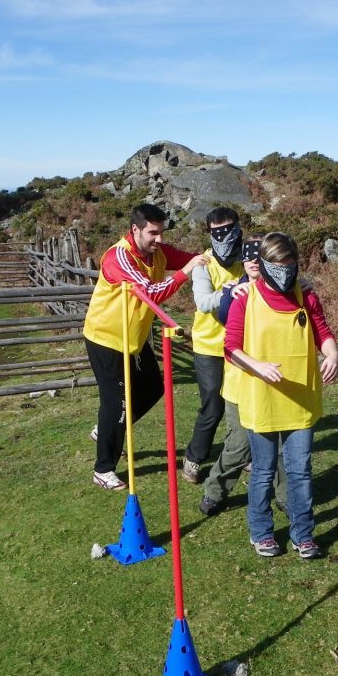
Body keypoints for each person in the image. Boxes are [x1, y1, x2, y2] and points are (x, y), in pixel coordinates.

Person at [224, 232, 338, 559]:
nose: (284, 272)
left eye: (290, 265)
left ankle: (303, 534)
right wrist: (258, 366)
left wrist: (332, 355)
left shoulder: (307, 297)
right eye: (277, 266)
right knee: (263, 469)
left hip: (301, 398)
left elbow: (323, 333)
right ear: (263, 264)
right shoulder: (245, 299)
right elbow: (231, 347)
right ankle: (260, 532)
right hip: (262, 398)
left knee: (300, 469)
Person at [83, 203, 209, 490]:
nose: (159, 239)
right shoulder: (119, 257)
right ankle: (103, 469)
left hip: (135, 338)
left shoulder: (158, 252)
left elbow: (192, 258)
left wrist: (210, 257)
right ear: (135, 229)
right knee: (118, 403)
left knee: (154, 387)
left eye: (162, 232)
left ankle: (107, 430)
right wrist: (186, 272)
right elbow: (150, 292)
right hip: (107, 339)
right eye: (153, 233)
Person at [199, 234, 288, 516]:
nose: (252, 262)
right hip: (240, 382)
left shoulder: (283, 289)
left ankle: (286, 497)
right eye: (247, 257)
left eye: (257, 257)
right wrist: (232, 293)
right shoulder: (233, 291)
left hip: (275, 379)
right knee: (239, 444)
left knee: (281, 446)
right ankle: (215, 491)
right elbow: (224, 317)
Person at [181, 207, 245, 484]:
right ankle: (194, 458)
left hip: (242, 345)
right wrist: (234, 292)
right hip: (209, 346)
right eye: (217, 232)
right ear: (209, 233)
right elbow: (204, 302)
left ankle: (241, 455)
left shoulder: (249, 256)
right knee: (213, 406)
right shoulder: (203, 264)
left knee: (242, 404)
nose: (224, 237)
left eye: (229, 230)